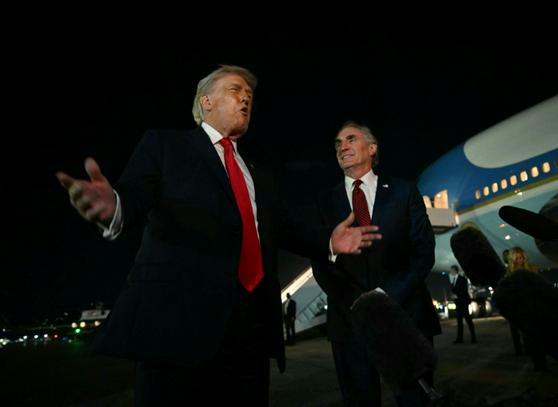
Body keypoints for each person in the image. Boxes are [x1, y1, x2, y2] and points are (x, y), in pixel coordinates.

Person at [55, 65, 382, 406]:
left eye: (249, 95)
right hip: (179, 330)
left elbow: (285, 229)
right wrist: (113, 205)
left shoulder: (258, 175)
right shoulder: (166, 145)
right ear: (206, 101)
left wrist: (329, 241)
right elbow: (133, 196)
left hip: (251, 334)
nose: (245, 98)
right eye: (235, 90)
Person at [310, 121, 441, 407]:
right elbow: (320, 263)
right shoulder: (323, 202)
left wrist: (386, 297)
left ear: (372, 148)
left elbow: (423, 252)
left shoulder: (404, 191)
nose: (342, 146)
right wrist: (358, 303)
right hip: (349, 323)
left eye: (350, 139)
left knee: (416, 401)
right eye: (338, 143)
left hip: (406, 317)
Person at [506, 246, 547, 371]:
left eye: (521, 257)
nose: (520, 260)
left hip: (535, 306)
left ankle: (542, 361)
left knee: (538, 336)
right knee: (529, 337)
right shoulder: (509, 273)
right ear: (512, 259)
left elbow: (540, 286)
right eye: (517, 258)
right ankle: (537, 362)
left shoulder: (532, 268)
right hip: (521, 308)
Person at [449, 265, 476, 344]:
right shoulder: (453, 280)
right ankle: (459, 339)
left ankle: (473, 338)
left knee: (468, 320)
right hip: (458, 303)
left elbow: (464, 290)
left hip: (463, 303)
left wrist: (457, 295)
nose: (450, 271)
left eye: (451, 270)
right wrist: (453, 295)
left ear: (455, 270)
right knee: (459, 322)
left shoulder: (462, 279)